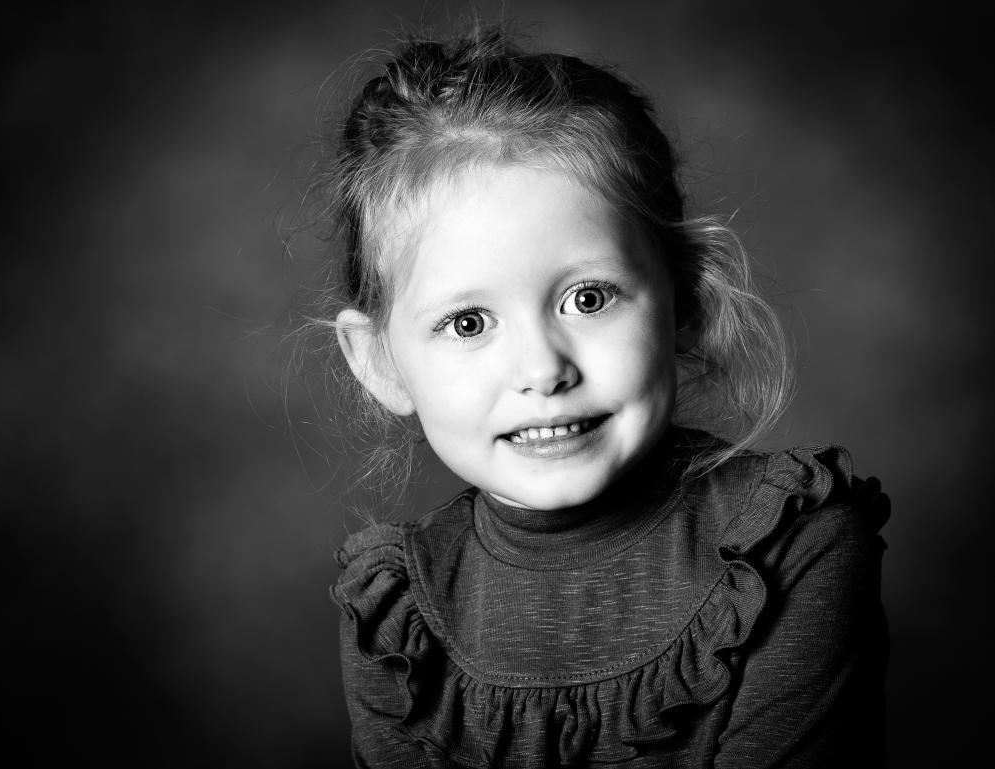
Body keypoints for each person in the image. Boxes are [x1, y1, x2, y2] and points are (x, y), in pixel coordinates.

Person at [320, 27, 890, 769]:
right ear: (380, 362)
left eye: (588, 298)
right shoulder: (394, 617)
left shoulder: (792, 548)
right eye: (468, 323)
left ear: (684, 301)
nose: (543, 370)